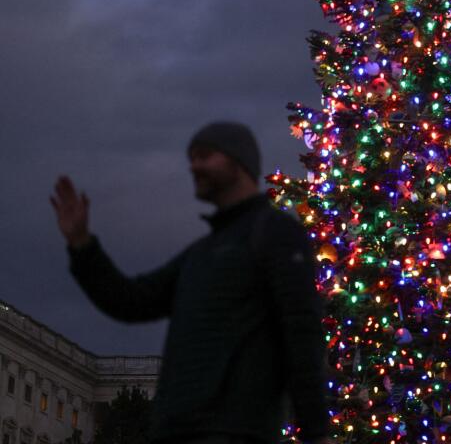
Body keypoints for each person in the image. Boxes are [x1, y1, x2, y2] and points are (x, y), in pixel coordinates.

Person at [51, 121, 332, 444]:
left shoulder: (277, 234)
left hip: (236, 430)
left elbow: (300, 332)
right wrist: (82, 245)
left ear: (238, 162)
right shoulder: (200, 254)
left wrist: (315, 432)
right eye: (192, 157)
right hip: (177, 432)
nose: (193, 166)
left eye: (204, 156)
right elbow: (130, 300)